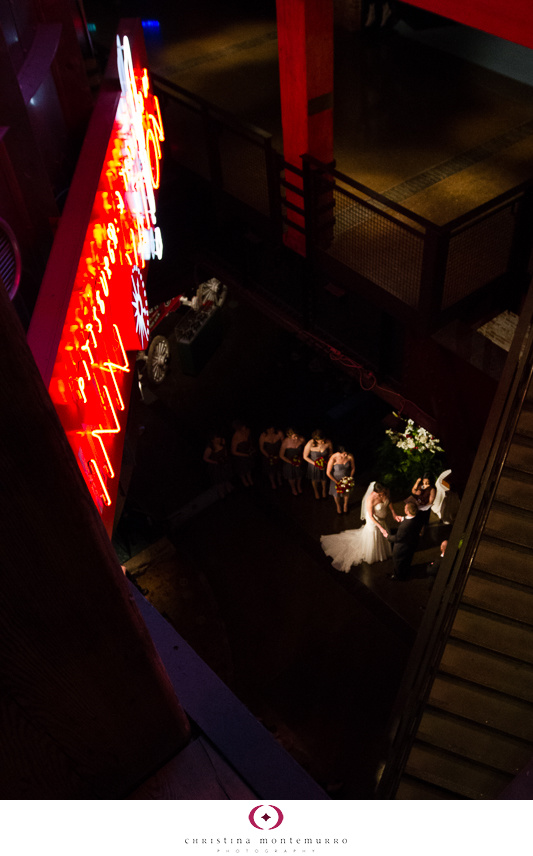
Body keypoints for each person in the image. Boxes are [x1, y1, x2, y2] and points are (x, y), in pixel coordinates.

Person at [321, 481, 402, 572]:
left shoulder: (386, 492)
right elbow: (370, 516)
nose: (383, 494)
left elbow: (389, 501)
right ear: (376, 492)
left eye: (384, 492)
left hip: (383, 520)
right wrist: (380, 527)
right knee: (375, 534)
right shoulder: (370, 499)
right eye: (381, 493)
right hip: (373, 521)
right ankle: (374, 554)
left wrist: (394, 513)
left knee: (383, 535)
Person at [381, 500, 419, 580]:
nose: (404, 508)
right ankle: (405, 572)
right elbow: (410, 520)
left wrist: (387, 536)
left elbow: (397, 538)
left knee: (398, 562)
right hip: (411, 544)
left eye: (405, 508)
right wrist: (402, 518)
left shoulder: (404, 526)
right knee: (406, 560)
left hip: (402, 547)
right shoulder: (416, 518)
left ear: (407, 511)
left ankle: (398, 576)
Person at [303, 429, 333, 499]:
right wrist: (316, 464)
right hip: (313, 464)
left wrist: (327, 461)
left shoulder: (328, 442)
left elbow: (331, 452)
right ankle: (316, 491)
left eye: (323, 440)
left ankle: (324, 490)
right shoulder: (310, 443)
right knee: (314, 479)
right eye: (320, 441)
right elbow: (305, 457)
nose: (322, 442)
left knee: (324, 478)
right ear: (316, 439)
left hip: (324, 463)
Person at [203, 431, 233, 498]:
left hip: (224, 465)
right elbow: (205, 458)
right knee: (219, 481)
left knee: (226, 478)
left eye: (219, 438)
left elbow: (225, 451)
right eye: (216, 439)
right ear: (212, 440)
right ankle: (221, 492)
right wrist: (215, 462)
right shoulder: (210, 448)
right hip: (217, 467)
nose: (218, 440)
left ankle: (228, 488)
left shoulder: (222, 443)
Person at [326, 446, 355, 513]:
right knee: (336, 494)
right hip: (336, 479)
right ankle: (338, 505)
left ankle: (345, 505)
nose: (346, 455)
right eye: (344, 454)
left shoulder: (350, 456)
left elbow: (353, 468)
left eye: (346, 453)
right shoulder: (333, 458)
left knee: (346, 492)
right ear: (339, 453)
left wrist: (350, 477)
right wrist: (336, 482)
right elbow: (328, 472)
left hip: (346, 478)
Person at [280, 427, 306, 495]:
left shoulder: (302, 439)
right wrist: (292, 462)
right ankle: (293, 488)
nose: (296, 438)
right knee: (291, 476)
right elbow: (281, 455)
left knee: (299, 475)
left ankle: (298, 486)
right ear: (289, 436)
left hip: (299, 460)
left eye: (297, 436)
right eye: (294, 437)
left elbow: (305, 448)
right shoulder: (285, 442)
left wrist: (301, 458)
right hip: (289, 462)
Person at [259, 424, 284, 489]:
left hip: (278, 454)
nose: (270, 430)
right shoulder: (263, 436)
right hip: (268, 456)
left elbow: (283, 444)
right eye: (268, 429)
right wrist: (269, 456)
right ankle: (273, 482)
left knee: (279, 469)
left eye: (271, 428)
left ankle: (279, 480)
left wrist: (281, 453)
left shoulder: (279, 433)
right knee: (271, 470)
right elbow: (261, 448)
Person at [230, 420, 255, 487]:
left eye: (245, 426)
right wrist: (245, 455)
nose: (244, 428)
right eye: (242, 427)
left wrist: (251, 450)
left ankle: (249, 478)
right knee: (242, 470)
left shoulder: (248, 431)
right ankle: (244, 480)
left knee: (249, 468)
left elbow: (250, 441)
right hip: (240, 457)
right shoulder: (236, 436)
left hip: (248, 454)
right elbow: (233, 452)